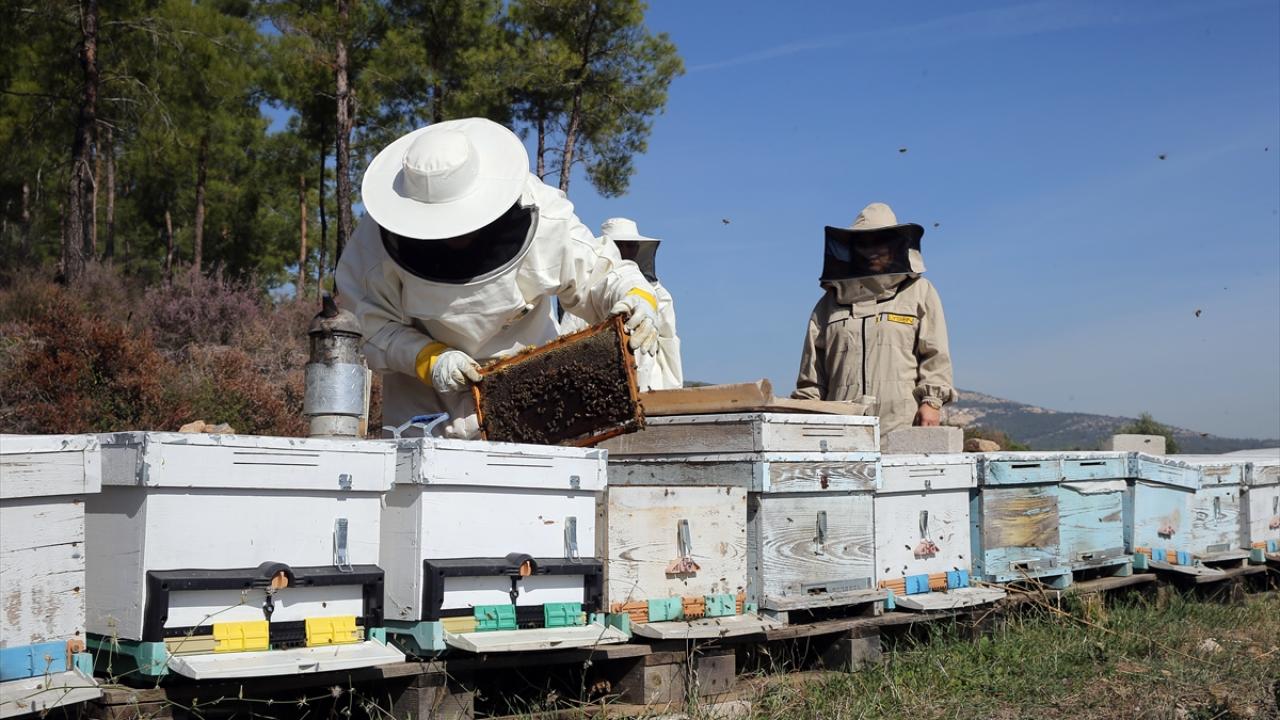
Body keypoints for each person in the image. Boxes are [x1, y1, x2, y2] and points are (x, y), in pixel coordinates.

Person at [336, 118, 660, 437]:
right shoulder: (373, 246)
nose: (453, 234)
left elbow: (600, 275)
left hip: (534, 392)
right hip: (424, 404)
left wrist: (637, 297)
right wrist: (426, 358)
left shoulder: (545, 217)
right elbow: (368, 324)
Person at [791, 202, 957, 435]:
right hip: (841, 429)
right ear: (853, 249)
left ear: (895, 246)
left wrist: (931, 402)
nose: (872, 251)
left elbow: (935, 355)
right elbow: (812, 378)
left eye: (879, 242)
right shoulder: (828, 305)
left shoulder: (920, 292)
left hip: (903, 426)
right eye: (864, 244)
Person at [559, 218, 683, 390]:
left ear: (638, 248)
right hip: (601, 387)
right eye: (618, 245)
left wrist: (673, 394)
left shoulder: (659, 295)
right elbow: (564, 346)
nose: (625, 250)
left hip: (651, 388)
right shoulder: (586, 296)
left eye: (630, 245)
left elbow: (669, 343)